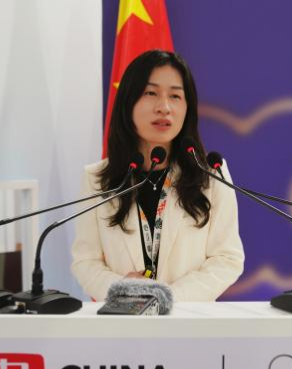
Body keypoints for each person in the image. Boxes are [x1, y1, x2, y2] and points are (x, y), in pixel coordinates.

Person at [71, 50, 244, 302]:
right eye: (151, 93)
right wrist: (124, 289)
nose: (164, 107)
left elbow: (227, 259)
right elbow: (86, 262)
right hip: (123, 319)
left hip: (188, 320)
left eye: (175, 96)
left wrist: (167, 298)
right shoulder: (96, 179)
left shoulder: (211, 174)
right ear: (128, 102)